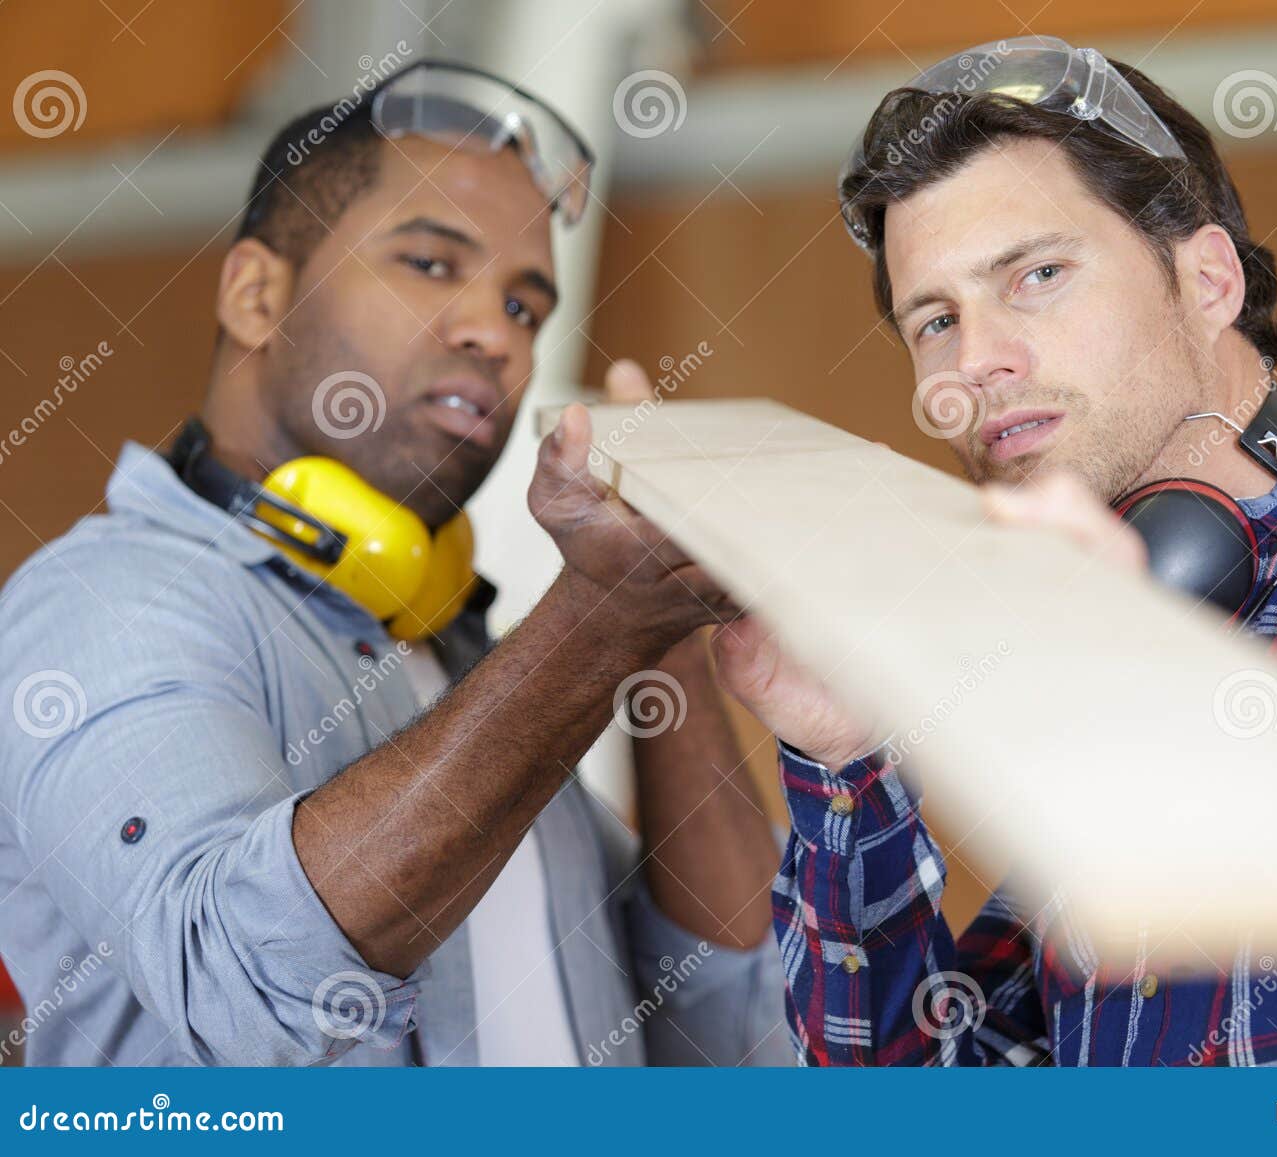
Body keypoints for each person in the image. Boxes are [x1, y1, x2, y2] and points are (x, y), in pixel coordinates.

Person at [712, 35, 1277, 1066]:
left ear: (1208, 278)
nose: (976, 360)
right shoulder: (1117, 738)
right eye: (936, 320)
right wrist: (846, 758)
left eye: (1038, 274)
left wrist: (1133, 682)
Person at [0, 60, 786, 1067]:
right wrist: (600, 622)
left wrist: (661, 623)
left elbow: (740, 1026)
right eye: (428, 262)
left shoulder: (474, 667)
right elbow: (244, 991)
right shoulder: (105, 602)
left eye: (525, 307)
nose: (493, 334)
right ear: (255, 294)